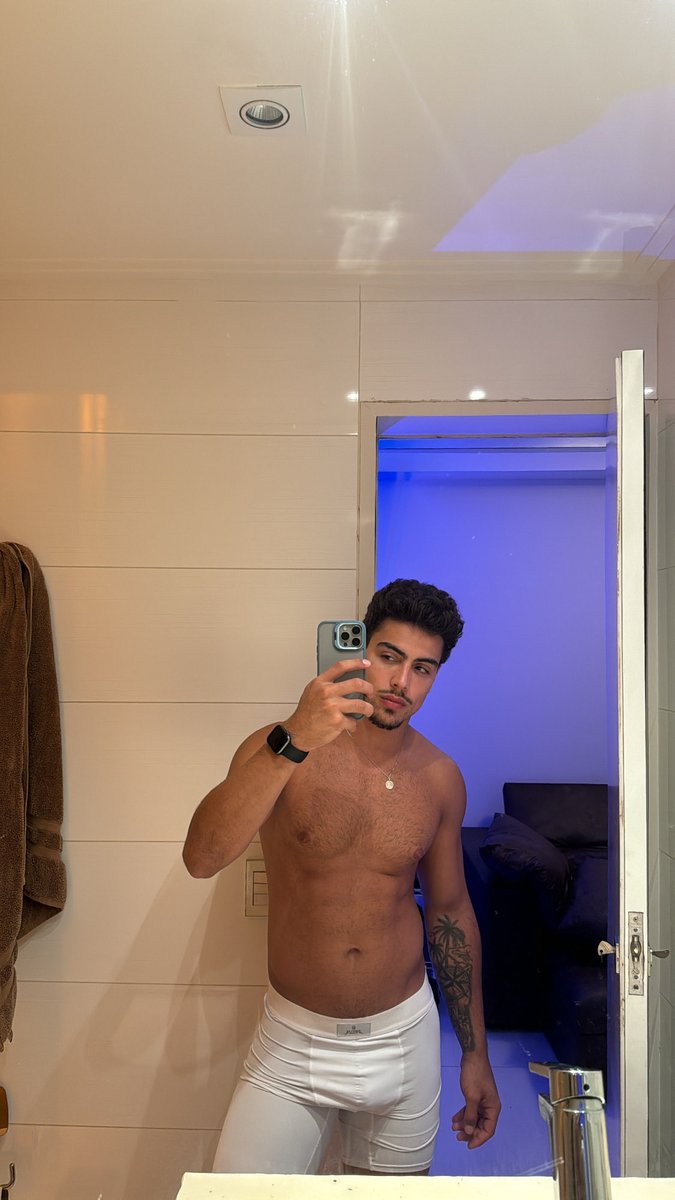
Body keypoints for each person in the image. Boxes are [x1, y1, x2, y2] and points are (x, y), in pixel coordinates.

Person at [183, 578, 500, 1175]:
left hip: (404, 1041)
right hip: (291, 1042)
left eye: (423, 668)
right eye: (389, 657)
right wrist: (294, 740)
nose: (401, 683)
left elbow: (451, 912)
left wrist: (475, 1054)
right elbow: (202, 857)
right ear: (359, 650)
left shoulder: (440, 778)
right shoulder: (278, 747)